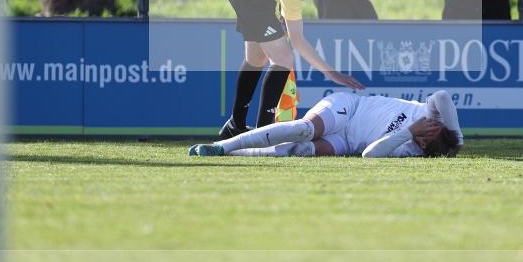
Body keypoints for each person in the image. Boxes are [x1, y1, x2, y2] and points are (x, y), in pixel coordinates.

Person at [219, 0, 364, 139]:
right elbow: (297, 40)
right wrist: (332, 73)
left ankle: (235, 125)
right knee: (284, 59)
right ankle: (263, 134)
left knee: (256, 59)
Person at [191, 90, 463, 158]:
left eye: (425, 145)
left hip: (346, 142)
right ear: (438, 128)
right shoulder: (434, 115)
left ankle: (233, 152)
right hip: (350, 109)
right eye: (427, 136)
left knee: (299, 150)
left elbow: (369, 154)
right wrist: (457, 138)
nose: (422, 140)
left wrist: (409, 133)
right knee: (303, 129)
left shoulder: (412, 148)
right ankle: (223, 145)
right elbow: (442, 96)